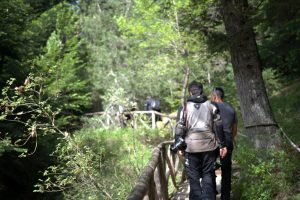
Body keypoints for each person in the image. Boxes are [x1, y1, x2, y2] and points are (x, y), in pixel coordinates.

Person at [174, 81, 227, 200]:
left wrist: (180, 147)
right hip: (209, 146)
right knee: (208, 174)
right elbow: (218, 126)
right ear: (201, 91)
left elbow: (179, 128)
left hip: (190, 146)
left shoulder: (184, 107)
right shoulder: (211, 105)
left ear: (189, 92)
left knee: (193, 178)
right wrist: (222, 145)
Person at [211, 87, 238, 200]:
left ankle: (212, 192)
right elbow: (234, 128)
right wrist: (230, 139)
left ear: (214, 96)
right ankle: (225, 196)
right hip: (227, 141)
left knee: (210, 167)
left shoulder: (209, 106)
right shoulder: (231, 108)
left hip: (212, 142)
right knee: (226, 170)